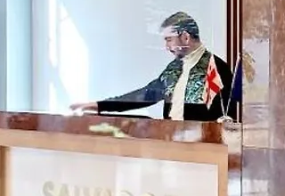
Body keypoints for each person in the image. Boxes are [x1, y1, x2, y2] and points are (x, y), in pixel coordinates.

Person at [69, 11, 233, 121]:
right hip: (173, 148)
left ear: (185, 37)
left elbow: (229, 116)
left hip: (204, 153)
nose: (166, 47)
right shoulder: (174, 69)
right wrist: (100, 105)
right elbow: (146, 95)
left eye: (169, 40)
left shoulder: (217, 69)